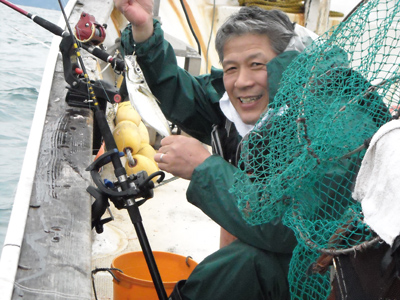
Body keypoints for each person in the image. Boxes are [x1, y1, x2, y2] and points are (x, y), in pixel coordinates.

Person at [114, 1, 308, 299]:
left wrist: (204, 167)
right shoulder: (231, 107)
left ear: (287, 64)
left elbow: (286, 230)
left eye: (257, 64)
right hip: (253, 245)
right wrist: (144, 29)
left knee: (243, 263)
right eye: (231, 68)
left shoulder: (316, 124)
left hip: (308, 272)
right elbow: (184, 94)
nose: (242, 82)